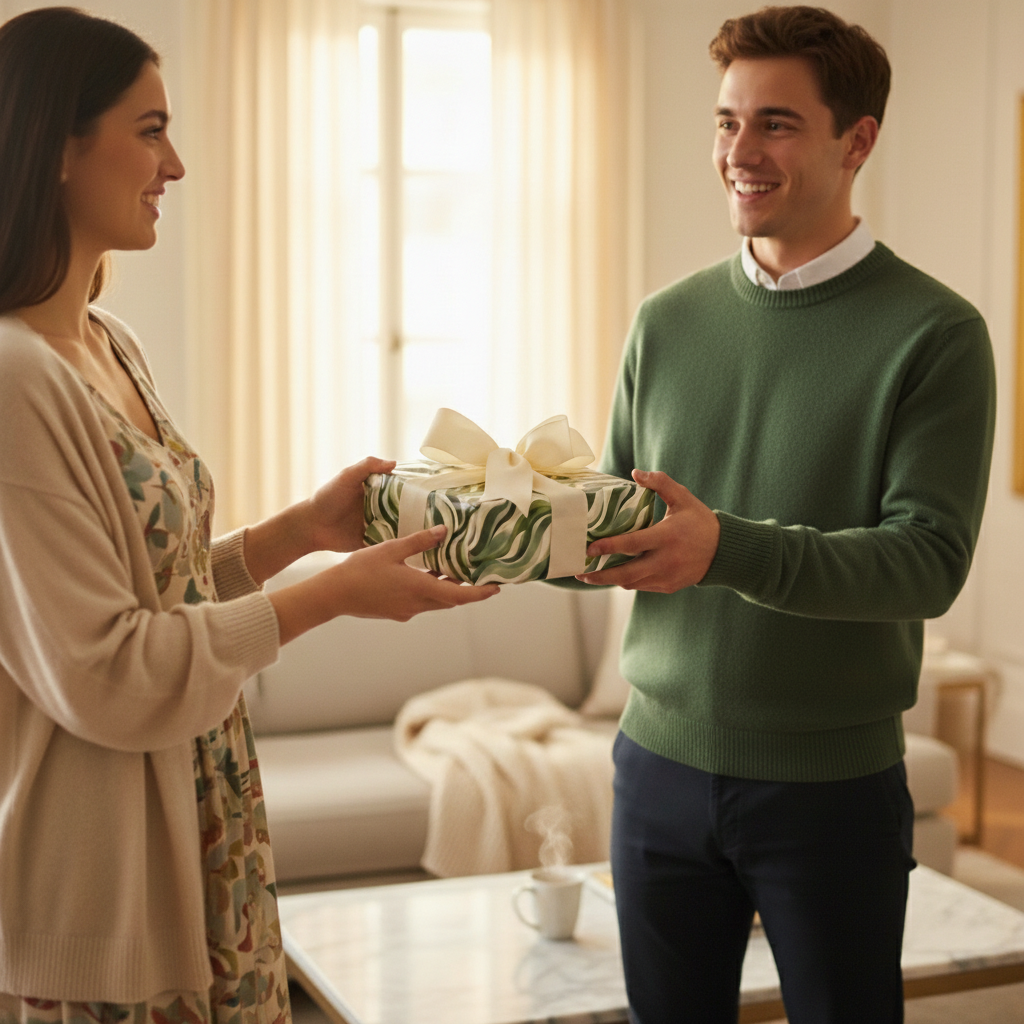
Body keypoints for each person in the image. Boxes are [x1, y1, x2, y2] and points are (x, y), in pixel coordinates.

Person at [0, 7, 497, 1022]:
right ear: (56, 144)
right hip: (97, 873)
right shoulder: (13, 377)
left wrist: (299, 534)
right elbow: (103, 671)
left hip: (201, 805)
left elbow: (160, 587)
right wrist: (326, 597)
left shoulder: (106, 341)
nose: (174, 163)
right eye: (148, 130)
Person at [576, 6, 996, 1023]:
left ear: (857, 141)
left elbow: (925, 561)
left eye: (774, 124)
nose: (737, 153)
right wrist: (503, 526)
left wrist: (725, 546)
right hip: (654, 771)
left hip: (829, 786)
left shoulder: (936, 335)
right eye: (725, 122)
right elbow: (610, 521)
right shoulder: (665, 321)